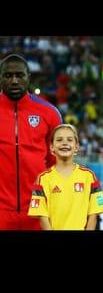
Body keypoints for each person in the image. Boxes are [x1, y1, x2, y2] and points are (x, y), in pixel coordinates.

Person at [0, 53, 62, 230]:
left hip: (38, 209)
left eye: (19, 75)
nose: (14, 81)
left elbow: (56, 162)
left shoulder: (49, 113)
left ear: (28, 77)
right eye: (8, 75)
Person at [28, 124, 103, 230]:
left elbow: (93, 215)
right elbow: (42, 216)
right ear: (52, 147)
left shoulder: (89, 176)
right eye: (59, 140)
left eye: (69, 140)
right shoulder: (43, 179)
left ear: (76, 147)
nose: (64, 143)